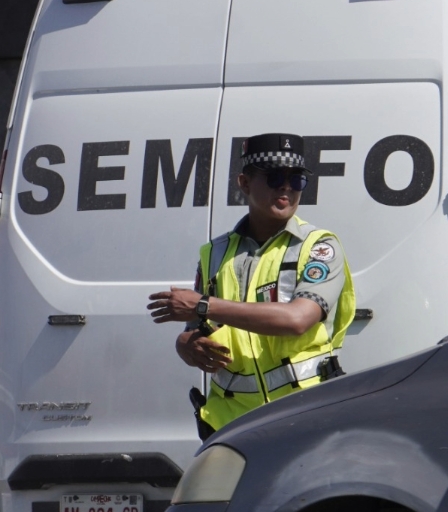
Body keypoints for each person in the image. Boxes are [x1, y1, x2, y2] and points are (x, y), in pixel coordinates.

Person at [148, 133, 356, 439]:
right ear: (244, 184)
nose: (286, 187)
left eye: (296, 179)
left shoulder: (318, 247)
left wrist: (204, 304)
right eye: (274, 177)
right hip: (231, 426)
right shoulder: (214, 252)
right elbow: (196, 326)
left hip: (306, 418)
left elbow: (298, 319)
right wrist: (186, 345)